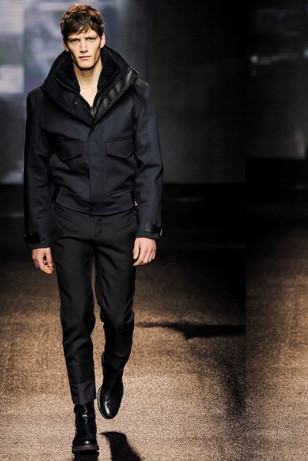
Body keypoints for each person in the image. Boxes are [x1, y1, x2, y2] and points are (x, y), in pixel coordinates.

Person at [24, 4, 163, 455]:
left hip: (121, 218)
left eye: (90, 38)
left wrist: (148, 228)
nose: (83, 47)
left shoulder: (135, 93)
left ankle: (114, 372)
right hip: (68, 220)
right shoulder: (43, 100)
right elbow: (36, 172)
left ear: (102, 39)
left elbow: (150, 163)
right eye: (75, 40)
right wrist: (39, 237)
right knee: (76, 317)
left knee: (118, 317)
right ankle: (83, 414)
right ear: (66, 44)